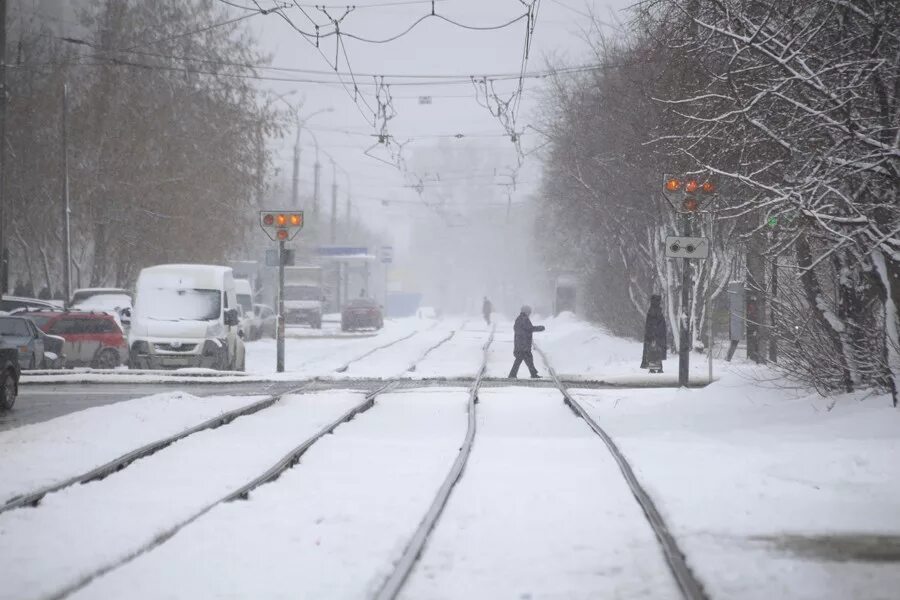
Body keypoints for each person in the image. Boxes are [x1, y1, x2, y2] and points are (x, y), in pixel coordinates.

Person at [509, 305, 545, 378]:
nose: (530, 313)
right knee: (522, 359)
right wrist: (540, 328)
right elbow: (529, 328)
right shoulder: (524, 319)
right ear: (526, 311)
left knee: (527, 359)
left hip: (521, 343)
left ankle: (532, 373)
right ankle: (513, 374)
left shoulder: (520, 318)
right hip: (523, 344)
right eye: (529, 312)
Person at [641, 294, 667, 374]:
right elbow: (657, 323)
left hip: (653, 334)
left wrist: (651, 334)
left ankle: (653, 367)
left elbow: (650, 324)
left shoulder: (652, 310)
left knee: (652, 349)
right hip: (657, 334)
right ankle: (657, 367)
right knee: (657, 349)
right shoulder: (657, 310)